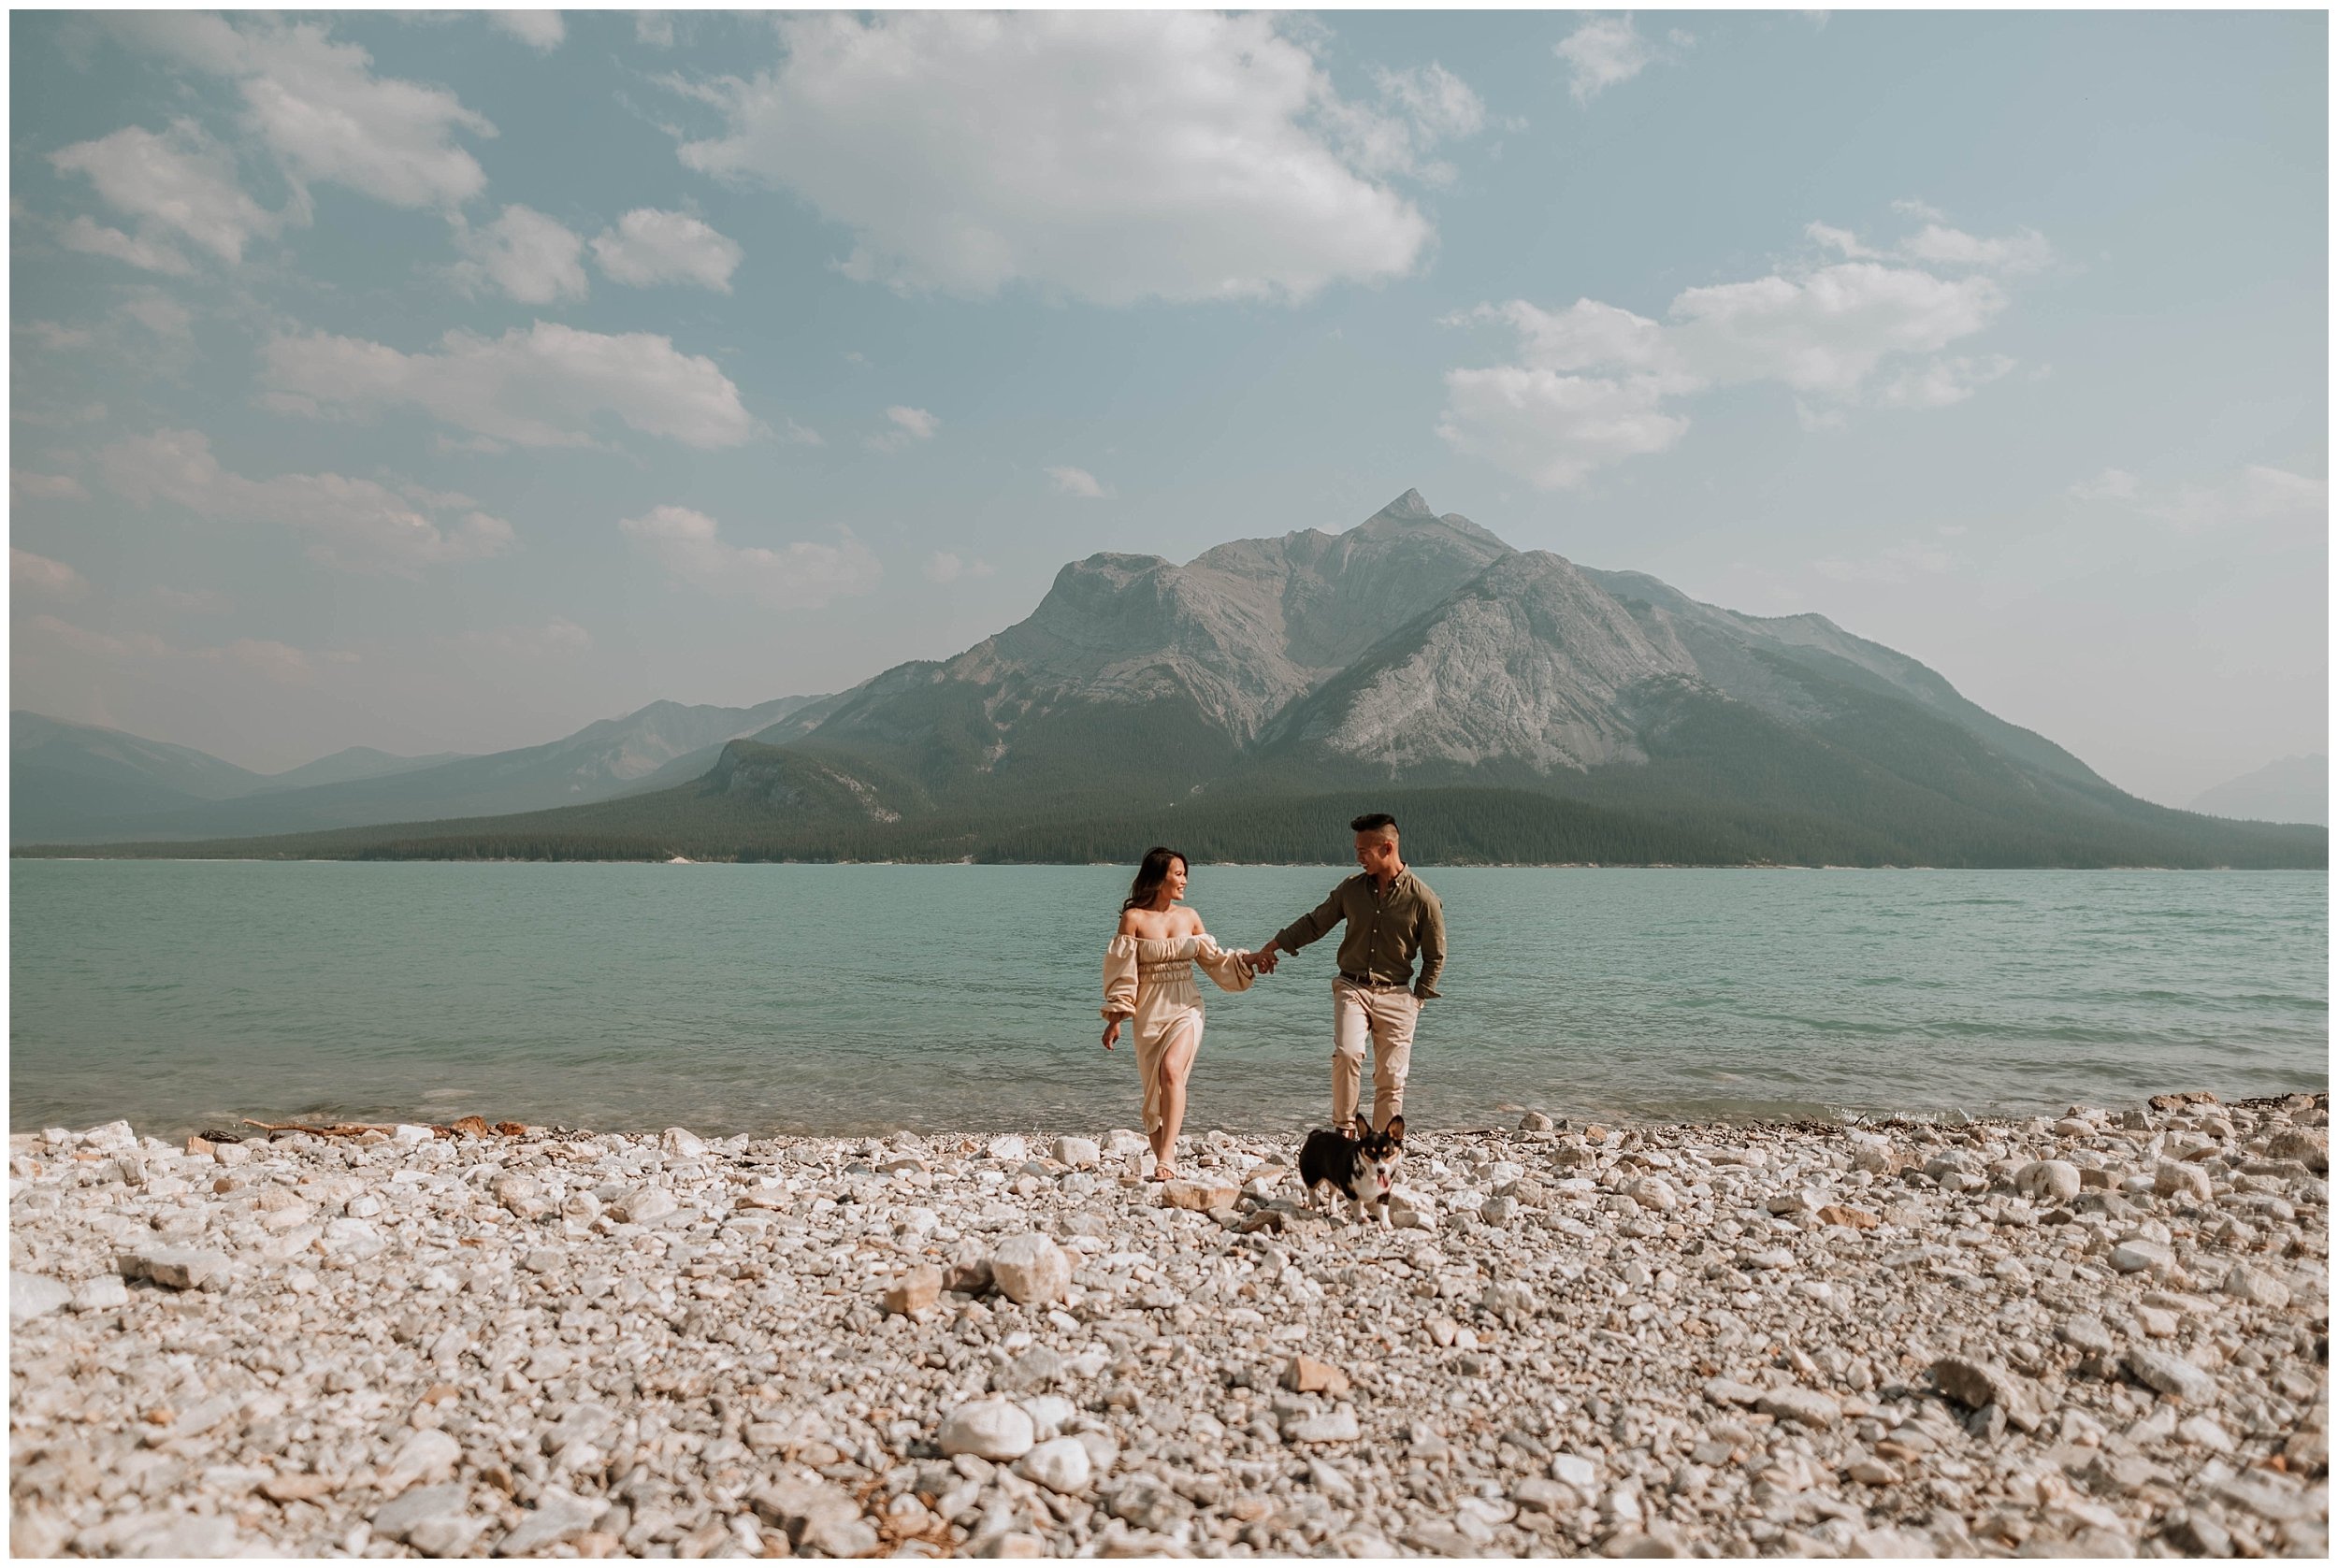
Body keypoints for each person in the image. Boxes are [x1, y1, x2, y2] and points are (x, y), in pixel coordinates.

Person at [1251, 813, 1445, 1136]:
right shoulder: (1351, 890)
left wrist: (1418, 998)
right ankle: (1344, 1130)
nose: (1357, 857)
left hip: (1398, 995)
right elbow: (1315, 923)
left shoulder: (1422, 898)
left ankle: (1383, 1144)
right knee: (1347, 1052)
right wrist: (1272, 946)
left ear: (1387, 847)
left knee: (1391, 1078)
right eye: (1356, 849)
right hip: (1351, 987)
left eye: (1363, 850)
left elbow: (1435, 955)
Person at [1101, 847, 1259, 1181]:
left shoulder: (1190, 917)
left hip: (1187, 1004)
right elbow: (1122, 972)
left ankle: (1168, 1156)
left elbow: (1217, 962)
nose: (1184, 880)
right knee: (1154, 1089)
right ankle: (1162, 1159)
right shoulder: (1134, 919)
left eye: (1185, 873)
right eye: (1178, 873)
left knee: (1172, 1071)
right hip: (1148, 1011)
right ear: (1159, 878)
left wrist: (1250, 960)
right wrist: (1116, 1018)